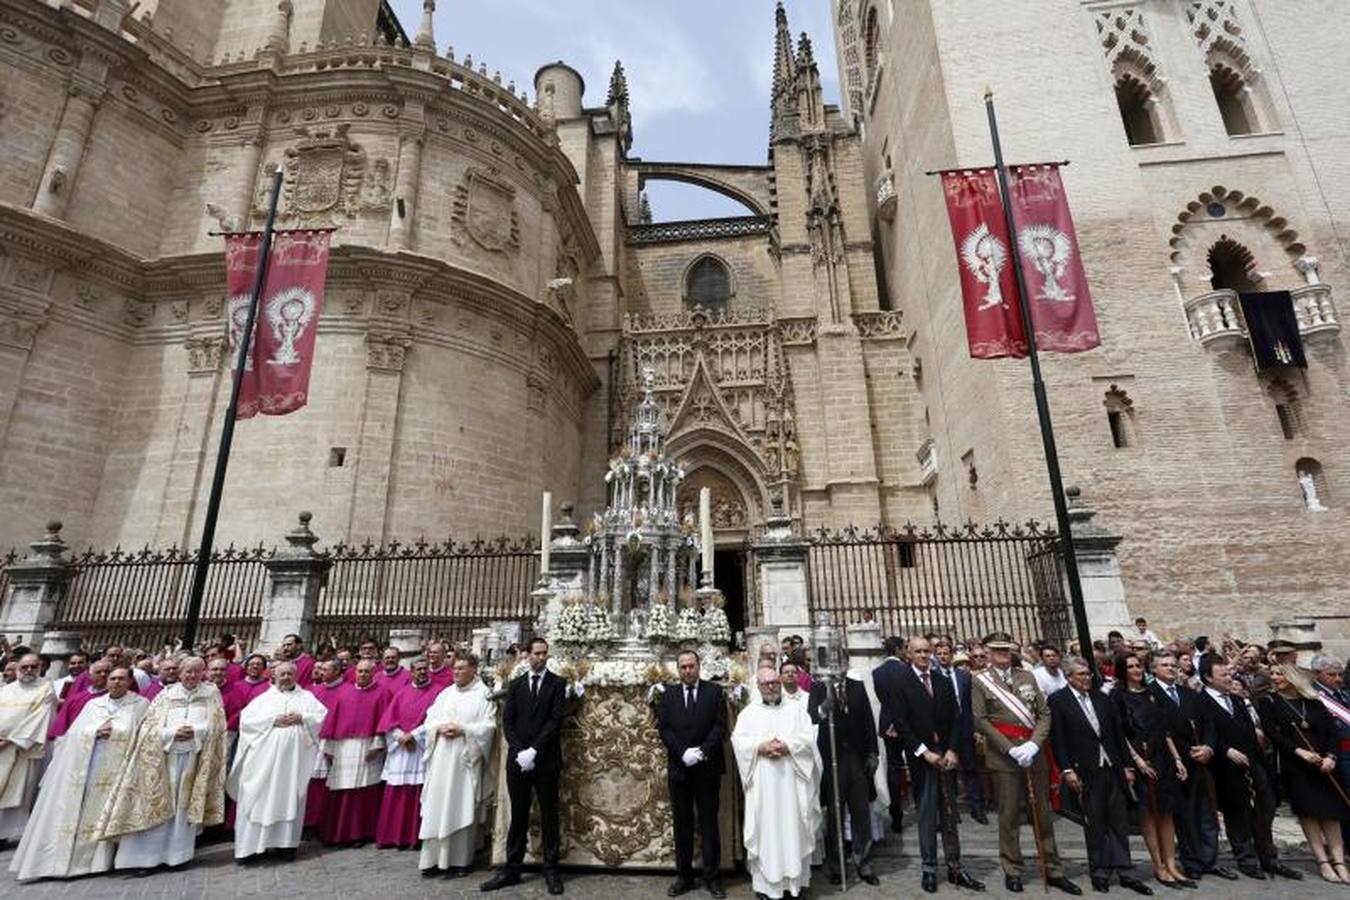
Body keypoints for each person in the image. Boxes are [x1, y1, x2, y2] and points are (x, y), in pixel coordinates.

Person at [9, 666, 148, 881]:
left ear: (130, 681)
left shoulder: (140, 705)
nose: (116, 682)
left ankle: (98, 861)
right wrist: (94, 732)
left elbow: (144, 740)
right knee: (74, 810)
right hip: (84, 766)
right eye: (113, 678)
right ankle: (63, 861)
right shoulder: (93, 704)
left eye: (121, 678)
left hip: (117, 772)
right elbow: (71, 736)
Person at [971, 632, 1079, 895]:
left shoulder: (1027, 676)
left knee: (1042, 814)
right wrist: (1010, 749)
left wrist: (1033, 743)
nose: (1002, 655)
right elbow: (980, 719)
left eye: (1006, 650)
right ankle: (1013, 868)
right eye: (997, 651)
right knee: (1008, 816)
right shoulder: (980, 681)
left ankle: (1052, 869)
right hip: (1004, 756)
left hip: (1034, 753)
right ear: (988, 653)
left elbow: (1044, 713)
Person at [98, 656, 227, 873]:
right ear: (180, 673)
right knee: (156, 804)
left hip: (193, 759)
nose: (192, 676)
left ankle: (178, 856)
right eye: (188, 671)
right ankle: (145, 859)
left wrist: (196, 731)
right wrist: (172, 733)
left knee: (183, 808)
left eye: (197, 671)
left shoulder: (211, 694)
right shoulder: (166, 695)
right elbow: (148, 728)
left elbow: (217, 727)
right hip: (163, 760)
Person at [1049, 657, 1152, 895]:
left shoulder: (1102, 699)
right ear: (1069, 677)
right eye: (1081, 675)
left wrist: (1127, 766)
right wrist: (1067, 770)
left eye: (1088, 674)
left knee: (1118, 820)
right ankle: (1100, 870)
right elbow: (1059, 740)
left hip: (1112, 767)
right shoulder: (1058, 701)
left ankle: (1125, 870)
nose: (1087, 678)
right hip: (1084, 768)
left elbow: (1117, 735)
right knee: (1095, 822)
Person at [1197, 656, 1301, 881]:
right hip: (1226, 768)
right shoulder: (1200, 702)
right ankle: (1246, 859)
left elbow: (1250, 733)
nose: (1228, 678)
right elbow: (1207, 733)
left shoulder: (1236, 700)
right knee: (1237, 814)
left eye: (1229, 673)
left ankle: (1269, 858)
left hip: (1253, 762)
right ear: (1208, 677)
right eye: (1223, 675)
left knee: (1265, 809)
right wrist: (1226, 750)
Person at [893, 636, 984, 894]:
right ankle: (930, 867)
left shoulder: (943, 681)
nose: (923, 655)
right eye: (918, 651)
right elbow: (901, 724)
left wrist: (953, 749)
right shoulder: (901, 683)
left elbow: (957, 719)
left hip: (946, 756)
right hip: (923, 760)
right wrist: (924, 753)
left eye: (926, 651)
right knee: (927, 814)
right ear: (909, 655)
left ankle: (955, 866)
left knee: (950, 814)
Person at [483, 637, 565, 895]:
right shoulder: (516, 684)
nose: (541, 658)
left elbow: (555, 721)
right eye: (537, 653)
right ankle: (512, 869)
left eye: (544, 654)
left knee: (549, 814)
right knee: (518, 814)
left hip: (546, 759)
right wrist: (520, 751)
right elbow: (508, 721)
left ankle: (551, 869)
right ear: (528, 655)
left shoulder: (557, 684)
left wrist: (534, 750)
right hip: (518, 761)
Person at [731, 665, 821, 900]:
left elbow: (808, 740)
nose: (771, 686)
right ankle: (766, 888)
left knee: (793, 829)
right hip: (764, 788)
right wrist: (759, 747)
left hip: (791, 787)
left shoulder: (796, 711)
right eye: (766, 683)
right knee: (765, 832)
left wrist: (787, 746)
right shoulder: (748, 714)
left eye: (774, 682)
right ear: (758, 686)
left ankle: (795, 886)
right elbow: (739, 742)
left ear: (779, 682)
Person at [228, 660, 328, 863]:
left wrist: (302, 717)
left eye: (289, 674)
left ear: (296, 675)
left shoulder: (307, 698)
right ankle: (251, 848)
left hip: (293, 765)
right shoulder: (263, 700)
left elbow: (320, 717)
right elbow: (246, 722)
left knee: (290, 797)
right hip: (263, 763)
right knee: (256, 798)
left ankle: (286, 846)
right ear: (273, 676)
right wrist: (272, 720)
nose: (285, 678)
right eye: (281, 674)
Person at [1256, 663, 1347, 883]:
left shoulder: (1313, 701)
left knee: (1332, 814)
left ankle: (1340, 862)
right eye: (1273, 674)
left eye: (1279, 674)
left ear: (1292, 677)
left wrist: (1331, 757)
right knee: (1309, 813)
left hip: (1325, 764)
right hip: (1295, 766)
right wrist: (1300, 752)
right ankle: (1323, 862)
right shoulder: (1269, 702)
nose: (1275, 678)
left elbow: (1332, 732)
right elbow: (1274, 734)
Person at [1149, 651, 1234, 883]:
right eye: (1164, 665)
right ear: (1154, 669)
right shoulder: (1151, 695)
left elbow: (1208, 723)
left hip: (1200, 761)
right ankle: (1192, 861)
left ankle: (1210, 859)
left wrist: (1207, 747)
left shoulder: (1189, 694)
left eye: (1173, 665)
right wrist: (1181, 753)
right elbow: (1161, 730)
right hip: (1173, 763)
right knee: (1183, 815)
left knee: (1206, 813)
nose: (1170, 668)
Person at [1112, 652, 1192, 888]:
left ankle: (1172, 864)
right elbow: (1120, 733)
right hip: (1142, 761)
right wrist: (1137, 761)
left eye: (1138, 665)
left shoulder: (1152, 693)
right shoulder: (1117, 696)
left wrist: (1177, 758)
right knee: (1150, 815)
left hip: (1163, 758)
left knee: (1167, 813)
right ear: (1122, 670)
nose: (1136, 669)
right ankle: (1158, 866)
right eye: (1131, 666)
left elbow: (1165, 729)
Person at [657, 649, 728, 899]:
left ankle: (712, 878)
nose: (688, 670)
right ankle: (684, 877)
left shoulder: (715, 692)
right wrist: (682, 752)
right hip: (680, 769)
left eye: (691, 666)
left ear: (699, 667)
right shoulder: (668, 694)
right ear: (678, 669)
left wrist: (701, 751)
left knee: (709, 824)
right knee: (682, 825)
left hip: (707, 768)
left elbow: (720, 726)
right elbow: (664, 728)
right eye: (683, 667)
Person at [418, 653, 496, 877]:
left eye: (462, 668)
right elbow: (430, 719)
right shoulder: (445, 693)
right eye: (455, 669)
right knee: (437, 805)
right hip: (442, 757)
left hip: (464, 760)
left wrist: (465, 730)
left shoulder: (484, 696)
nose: (456, 672)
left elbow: (489, 727)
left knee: (460, 804)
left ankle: (461, 860)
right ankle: (432, 860)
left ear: (474, 669)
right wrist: (438, 728)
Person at [808, 660, 880, 887]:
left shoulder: (856, 687)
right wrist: (822, 709)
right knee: (834, 816)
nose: (836, 667)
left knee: (861, 814)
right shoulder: (819, 688)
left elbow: (868, 721)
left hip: (856, 759)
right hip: (833, 761)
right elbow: (810, 717)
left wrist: (873, 753)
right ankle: (836, 865)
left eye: (840, 662)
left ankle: (864, 862)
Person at [317, 657, 389, 846]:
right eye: (360, 671)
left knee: (363, 792)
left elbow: (383, 721)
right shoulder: (344, 693)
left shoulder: (382, 693)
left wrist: (377, 745)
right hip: (343, 747)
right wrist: (330, 748)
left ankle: (358, 834)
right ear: (354, 672)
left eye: (367, 671)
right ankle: (336, 833)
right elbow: (332, 721)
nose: (363, 674)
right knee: (339, 790)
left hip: (367, 747)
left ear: (374, 673)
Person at [376, 657, 442, 849]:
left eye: (424, 669)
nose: (422, 672)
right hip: (401, 751)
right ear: (411, 672)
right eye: (418, 669)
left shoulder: (437, 693)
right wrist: (400, 737)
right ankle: (391, 836)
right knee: (396, 792)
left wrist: (413, 735)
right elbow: (389, 719)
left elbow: (436, 720)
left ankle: (414, 837)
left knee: (418, 792)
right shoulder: (402, 693)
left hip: (420, 748)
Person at [0, 653, 57, 847]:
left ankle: (4, 835)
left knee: (15, 790)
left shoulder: (45, 689)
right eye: (25, 667)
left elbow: (40, 718)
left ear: (40, 668)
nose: (29, 671)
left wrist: (12, 739)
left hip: (21, 748)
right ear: (17, 669)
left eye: (34, 666)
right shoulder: (5, 690)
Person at [933, 638, 987, 824]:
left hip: (964, 728)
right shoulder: (932, 677)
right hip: (944, 731)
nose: (942, 657)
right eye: (939, 654)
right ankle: (951, 811)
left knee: (970, 768)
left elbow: (971, 704)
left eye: (945, 653)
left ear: (951, 655)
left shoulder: (964, 676)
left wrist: (975, 728)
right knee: (947, 771)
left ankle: (977, 808)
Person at [871, 635, 909, 836]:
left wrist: (891, 721)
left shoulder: (877, 672)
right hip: (907, 725)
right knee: (917, 766)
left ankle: (896, 816)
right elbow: (909, 699)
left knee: (893, 769)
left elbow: (882, 698)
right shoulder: (906, 670)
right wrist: (900, 721)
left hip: (887, 724)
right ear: (898, 650)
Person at [48, 658, 110, 748]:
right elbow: (62, 722)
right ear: (90, 675)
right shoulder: (76, 699)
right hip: (74, 742)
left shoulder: (117, 698)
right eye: (98, 672)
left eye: (107, 672)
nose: (103, 675)